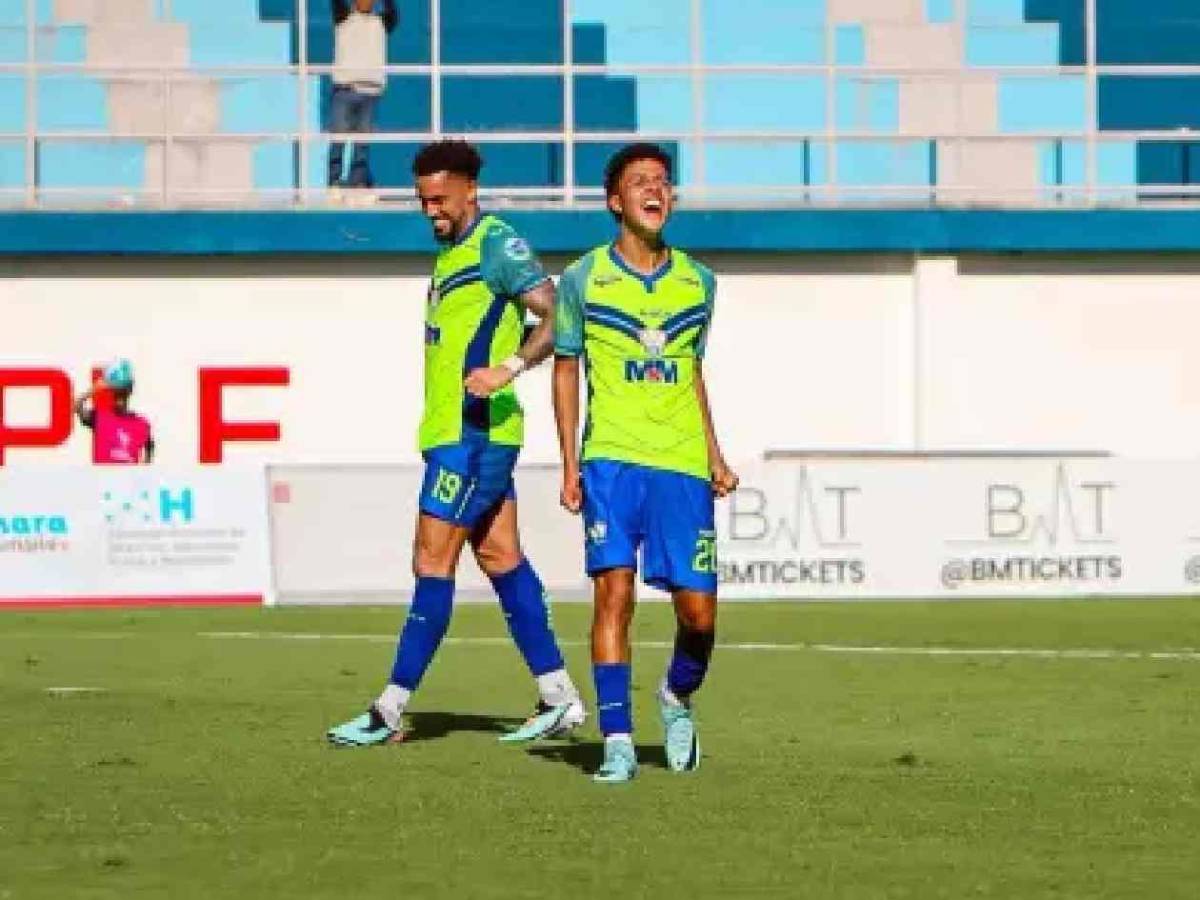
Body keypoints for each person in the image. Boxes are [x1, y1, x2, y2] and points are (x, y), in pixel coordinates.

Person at [327, 139, 585, 747]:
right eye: (422, 201)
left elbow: (556, 314)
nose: (430, 211)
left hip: (472, 437)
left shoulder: (497, 243)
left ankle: (388, 710)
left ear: (471, 190)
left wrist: (511, 368)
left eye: (439, 199)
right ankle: (559, 696)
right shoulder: (453, 254)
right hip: (465, 435)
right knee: (500, 558)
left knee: (431, 560)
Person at [551, 143, 738, 784]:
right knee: (615, 595)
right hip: (611, 461)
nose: (655, 190)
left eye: (663, 181)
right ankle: (619, 741)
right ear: (615, 202)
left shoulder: (701, 281)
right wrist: (569, 463)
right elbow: (567, 368)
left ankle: (676, 697)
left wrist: (714, 451)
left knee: (699, 614)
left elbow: (692, 371)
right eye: (640, 182)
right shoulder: (581, 279)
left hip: (681, 462)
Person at [328, 0, 398, 198]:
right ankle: (334, 182)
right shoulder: (344, 18)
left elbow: (393, 12)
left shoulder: (381, 22)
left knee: (362, 143)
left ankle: (357, 182)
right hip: (345, 89)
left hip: (370, 91)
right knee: (339, 138)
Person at [74, 359, 154, 465]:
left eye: (123, 395)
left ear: (129, 394)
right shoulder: (100, 417)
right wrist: (96, 388)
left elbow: (149, 449)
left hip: (128, 480)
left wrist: (142, 473)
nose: (120, 400)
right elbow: (77, 405)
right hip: (101, 479)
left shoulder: (142, 424)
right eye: (117, 394)